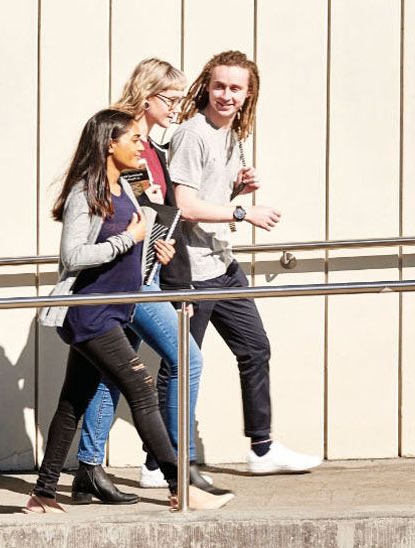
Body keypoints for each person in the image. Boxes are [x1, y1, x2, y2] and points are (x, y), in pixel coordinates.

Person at [27, 109, 234, 513]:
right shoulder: (84, 194)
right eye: (134, 140)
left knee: (73, 401)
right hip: (91, 313)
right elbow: (73, 256)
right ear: (110, 144)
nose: (142, 146)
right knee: (141, 390)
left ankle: (43, 493)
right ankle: (180, 488)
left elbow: (128, 257)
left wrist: (153, 252)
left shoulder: (123, 188)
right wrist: (128, 239)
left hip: (114, 310)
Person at [73, 59, 225, 502]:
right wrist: (141, 246)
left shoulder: (152, 149)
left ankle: (89, 468)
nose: (178, 107)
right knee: (187, 361)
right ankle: (176, 465)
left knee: (112, 374)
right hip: (127, 279)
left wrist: (160, 247)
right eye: (171, 99)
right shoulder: (125, 142)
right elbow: (119, 208)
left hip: (147, 271)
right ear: (147, 96)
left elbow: (152, 216)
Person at [163, 50, 322, 474]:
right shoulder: (191, 135)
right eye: (219, 86)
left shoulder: (232, 135)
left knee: (255, 349)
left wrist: (234, 190)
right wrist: (242, 212)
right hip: (191, 273)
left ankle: (262, 449)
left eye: (235, 88)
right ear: (206, 86)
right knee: (180, 364)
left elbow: (207, 199)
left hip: (223, 265)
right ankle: (158, 460)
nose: (226, 95)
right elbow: (186, 206)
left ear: (248, 94)